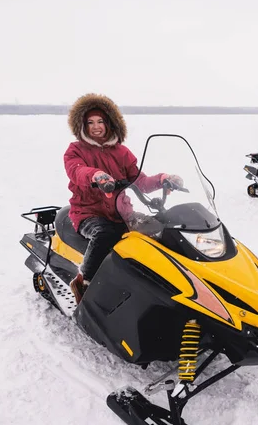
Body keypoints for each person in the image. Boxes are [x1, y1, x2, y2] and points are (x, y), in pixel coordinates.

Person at [64, 93, 181, 304]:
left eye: (100, 121)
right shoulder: (76, 150)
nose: (96, 126)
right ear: (82, 125)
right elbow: (77, 171)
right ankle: (84, 281)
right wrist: (96, 175)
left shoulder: (122, 152)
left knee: (159, 228)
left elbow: (140, 181)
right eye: (90, 122)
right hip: (88, 212)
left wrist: (164, 179)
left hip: (121, 212)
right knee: (104, 233)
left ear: (110, 123)